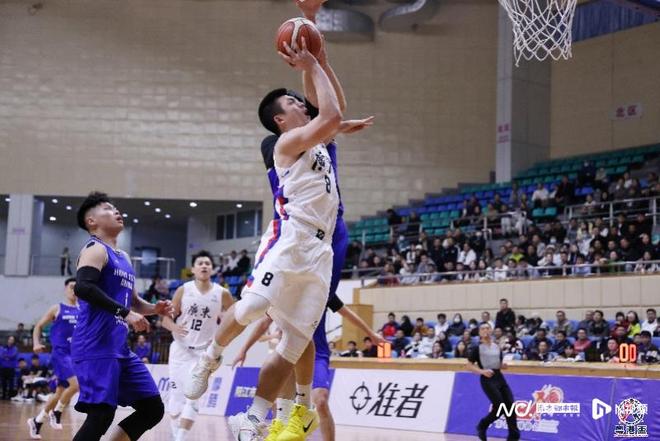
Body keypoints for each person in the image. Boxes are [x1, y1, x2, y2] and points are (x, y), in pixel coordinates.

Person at [182, 17, 372, 440]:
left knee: (294, 342)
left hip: (321, 252)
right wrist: (312, 64)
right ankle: (209, 359)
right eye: (292, 102)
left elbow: (332, 107)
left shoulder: (320, 142)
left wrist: (319, 59)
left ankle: (255, 417)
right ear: (281, 121)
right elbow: (332, 113)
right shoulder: (286, 144)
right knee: (252, 307)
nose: (300, 103)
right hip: (292, 238)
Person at [71, 192, 172, 441]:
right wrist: (126, 313)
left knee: (152, 409)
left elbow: (133, 302)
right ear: (92, 221)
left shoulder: (124, 258)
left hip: (119, 348)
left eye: (115, 208)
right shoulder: (95, 249)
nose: (116, 211)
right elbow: (83, 287)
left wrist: (155, 309)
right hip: (95, 345)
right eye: (107, 208)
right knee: (101, 414)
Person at [161, 250, 233, 441]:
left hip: (204, 353)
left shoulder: (222, 293)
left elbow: (234, 317)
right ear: (192, 269)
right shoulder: (183, 290)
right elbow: (165, 320)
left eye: (207, 263)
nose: (204, 266)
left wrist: (221, 334)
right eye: (200, 263)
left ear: (212, 269)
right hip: (180, 349)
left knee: (193, 398)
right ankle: (176, 433)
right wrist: (175, 327)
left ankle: (181, 438)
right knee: (176, 400)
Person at [28, 278, 80, 439]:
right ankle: (57, 411)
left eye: (77, 287)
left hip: (75, 355)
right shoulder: (57, 308)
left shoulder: (82, 310)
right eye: (71, 287)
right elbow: (38, 326)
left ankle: (37, 421)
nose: (74, 290)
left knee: (59, 393)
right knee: (76, 385)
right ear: (65, 289)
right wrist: (36, 343)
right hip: (60, 354)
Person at [467, 323, 520, 441]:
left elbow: (498, 364)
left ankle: (513, 435)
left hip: (499, 377)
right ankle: (483, 425)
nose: (485, 330)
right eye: (483, 329)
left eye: (487, 328)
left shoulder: (497, 346)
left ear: (491, 330)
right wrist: (482, 371)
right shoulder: (477, 348)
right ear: (479, 332)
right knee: (500, 407)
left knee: (510, 405)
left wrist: (503, 366)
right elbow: (469, 365)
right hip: (487, 379)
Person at [0, 335, 18, 400]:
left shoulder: (15, 348)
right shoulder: (2, 347)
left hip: (11, 368)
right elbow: (1, 355)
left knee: (11, 383)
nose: (11, 341)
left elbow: (12, 355)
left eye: (12, 340)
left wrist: (6, 356)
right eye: (10, 339)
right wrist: (7, 356)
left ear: (14, 341)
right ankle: (3, 395)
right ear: (7, 340)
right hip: (3, 368)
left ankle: (10, 396)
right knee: (3, 382)